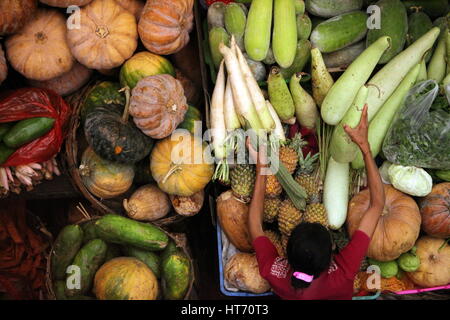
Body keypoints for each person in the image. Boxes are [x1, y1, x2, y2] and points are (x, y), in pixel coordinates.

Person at [247, 104, 385, 300]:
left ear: (285, 254)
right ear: (332, 255)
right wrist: (365, 147)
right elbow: (378, 204)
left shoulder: (274, 273)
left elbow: (253, 225)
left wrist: (261, 168)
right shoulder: (343, 273)